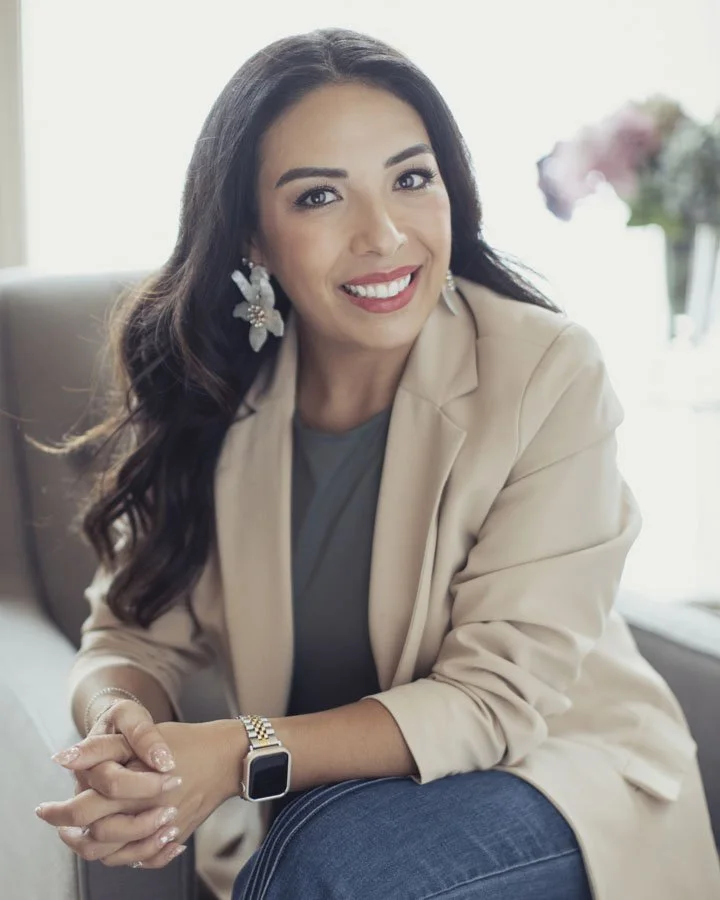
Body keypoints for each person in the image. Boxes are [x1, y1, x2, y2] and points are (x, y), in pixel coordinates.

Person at [33, 27, 720, 900]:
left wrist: (240, 752)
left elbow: (492, 702)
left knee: (341, 857)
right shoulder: (214, 392)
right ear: (251, 239)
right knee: (330, 844)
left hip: (560, 776)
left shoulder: (547, 370)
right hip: (329, 816)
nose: (384, 233)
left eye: (410, 178)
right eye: (319, 196)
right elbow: (128, 637)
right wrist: (126, 733)